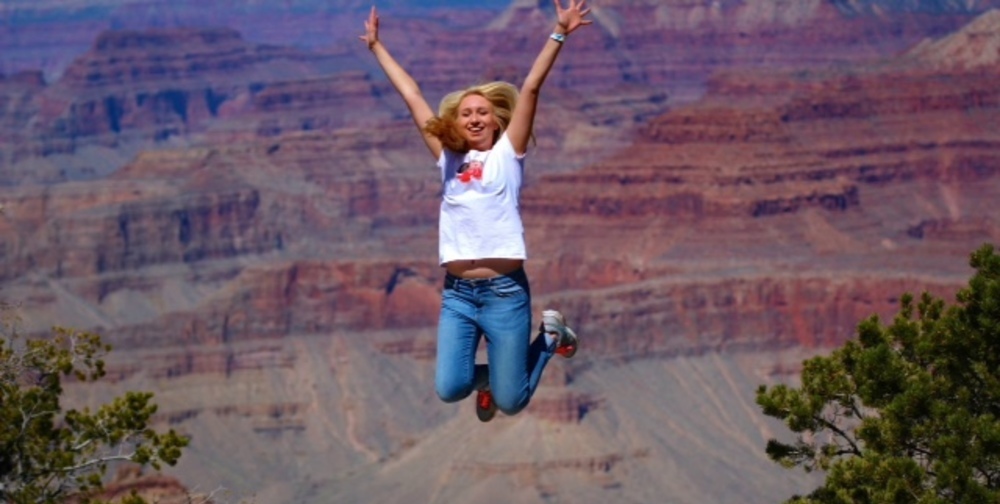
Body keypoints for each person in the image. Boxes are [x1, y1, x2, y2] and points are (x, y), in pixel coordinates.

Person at [359, 1, 592, 422]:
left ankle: (550, 339)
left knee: (512, 402)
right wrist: (377, 47)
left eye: (482, 112)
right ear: (457, 121)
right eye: (466, 113)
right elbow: (412, 96)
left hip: (505, 294)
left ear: (497, 120)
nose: (474, 118)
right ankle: (488, 379)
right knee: (450, 389)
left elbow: (532, 87)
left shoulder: (509, 154)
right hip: (458, 296)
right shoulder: (447, 156)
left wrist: (558, 33)